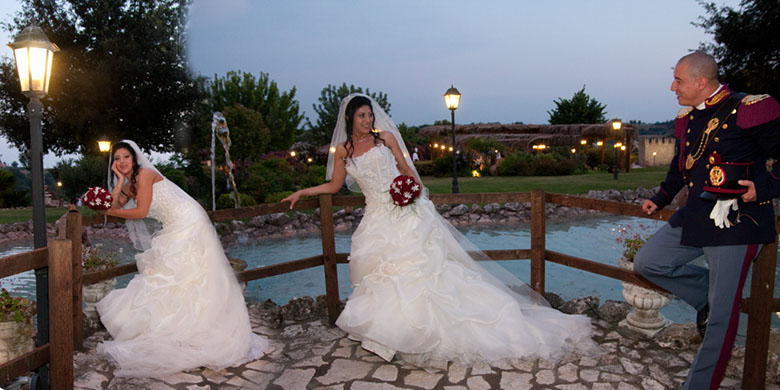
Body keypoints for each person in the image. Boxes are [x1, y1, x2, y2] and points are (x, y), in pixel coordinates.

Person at [282, 94, 595, 368]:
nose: (367, 120)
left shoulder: (385, 139)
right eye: (361, 115)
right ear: (350, 118)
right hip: (376, 218)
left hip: (406, 213)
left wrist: (415, 194)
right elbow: (334, 186)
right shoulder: (343, 151)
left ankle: (424, 331)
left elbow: (406, 169)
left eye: (369, 115)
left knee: (422, 272)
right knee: (384, 276)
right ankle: (385, 336)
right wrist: (303, 193)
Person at [634, 52, 780, 390]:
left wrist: (765, 187)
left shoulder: (749, 110)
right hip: (697, 213)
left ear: (701, 82)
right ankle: (711, 298)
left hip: (737, 224)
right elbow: (682, 165)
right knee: (648, 261)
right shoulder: (688, 118)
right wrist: (660, 198)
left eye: (679, 81)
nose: (673, 87)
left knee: (720, 322)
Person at [96, 140, 266, 378]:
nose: (122, 161)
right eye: (117, 158)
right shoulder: (129, 183)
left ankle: (195, 331)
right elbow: (114, 203)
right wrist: (120, 180)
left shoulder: (145, 174)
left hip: (188, 221)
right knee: (174, 275)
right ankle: (176, 329)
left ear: (135, 159)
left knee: (184, 274)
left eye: (126, 157)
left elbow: (140, 212)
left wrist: (112, 211)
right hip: (173, 225)